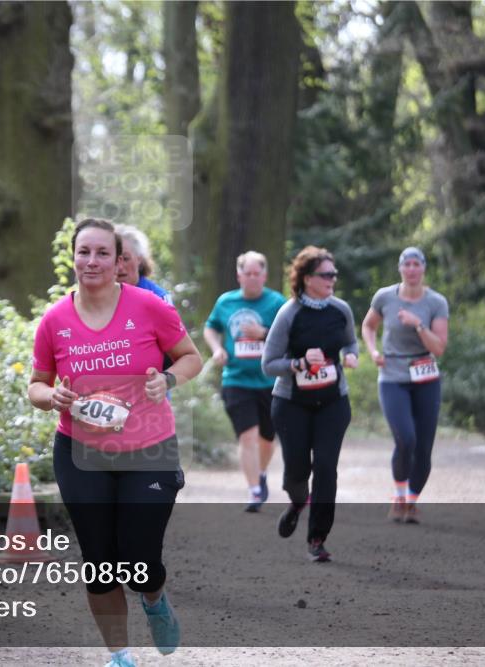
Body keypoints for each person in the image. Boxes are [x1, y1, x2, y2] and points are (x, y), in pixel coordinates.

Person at [29, 218, 202, 667]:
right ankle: (121, 655)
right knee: (100, 559)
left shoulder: (149, 307)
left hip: (150, 450)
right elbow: (36, 385)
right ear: (73, 257)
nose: (92, 261)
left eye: (103, 253)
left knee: (138, 559)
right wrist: (53, 397)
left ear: (121, 259)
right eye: (83, 252)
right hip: (80, 453)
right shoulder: (55, 320)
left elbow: (191, 357)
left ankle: (154, 598)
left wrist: (166, 380)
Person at [262, 246, 358, 562]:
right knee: (297, 473)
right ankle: (297, 502)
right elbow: (269, 363)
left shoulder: (340, 309)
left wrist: (351, 355)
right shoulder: (289, 313)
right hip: (292, 403)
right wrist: (300, 363)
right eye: (326, 274)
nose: (332, 279)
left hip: (333, 401)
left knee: (327, 468)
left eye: (334, 274)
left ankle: (317, 538)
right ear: (306, 278)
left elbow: (349, 340)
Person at [361, 247, 449, 524]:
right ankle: (398, 497)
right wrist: (373, 352)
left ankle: (411, 501)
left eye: (416, 264)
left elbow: (439, 347)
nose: (411, 269)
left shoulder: (436, 302)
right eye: (406, 264)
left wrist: (418, 325)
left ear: (423, 269)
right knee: (406, 438)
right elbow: (368, 326)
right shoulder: (385, 297)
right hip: (392, 376)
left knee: (423, 446)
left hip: (425, 376)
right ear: (400, 269)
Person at [203, 251, 286, 512]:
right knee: (247, 436)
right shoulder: (226, 302)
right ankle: (254, 490)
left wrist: (264, 333)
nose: (252, 278)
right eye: (247, 274)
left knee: (267, 439)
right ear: (239, 275)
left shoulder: (277, 302)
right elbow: (211, 327)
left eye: (257, 273)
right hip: (236, 380)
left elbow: (291, 335)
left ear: (265, 276)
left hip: (271, 382)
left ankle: (260, 473)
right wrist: (217, 348)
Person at [115, 224, 172, 303]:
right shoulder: (98, 295)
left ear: (139, 259)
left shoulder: (158, 298)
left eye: (125, 259)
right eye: (115, 259)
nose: (120, 266)